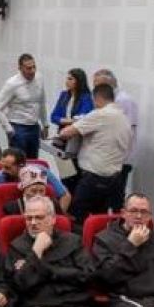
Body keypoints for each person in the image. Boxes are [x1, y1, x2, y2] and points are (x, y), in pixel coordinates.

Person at [58, 83, 132, 225]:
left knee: (77, 218)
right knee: (102, 221)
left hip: (94, 179)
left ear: (97, 99)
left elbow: (65, 133)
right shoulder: (123, 117)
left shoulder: (100, 114)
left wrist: (76, 122)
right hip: (115, 179)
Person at [92, 69, 139, 211]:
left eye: (97, 84)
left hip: (120, 160)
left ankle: (115, 230)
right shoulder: (110, 100)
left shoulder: (124, 100)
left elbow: (127, 131)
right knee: (103, 198)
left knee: (116, 200)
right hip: (108, 159)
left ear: (109, 84)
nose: (94, 88)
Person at [0, 53, 48, 159]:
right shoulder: (12, 84)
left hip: (34, 126)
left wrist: (45, 124)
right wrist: (8, 129)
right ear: (20, 68)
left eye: (34, 67)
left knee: (33, 161)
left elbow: (41, 103)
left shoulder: (39, 78)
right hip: (18, 127)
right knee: (19, 161)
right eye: (28, 68)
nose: (32, 71)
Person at [0, 147, 71, 213]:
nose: (3, 171)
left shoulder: (42, 172)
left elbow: (65, 196)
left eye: (8, 168)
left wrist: (55, 217)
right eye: (2, 166)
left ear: (21, 166)